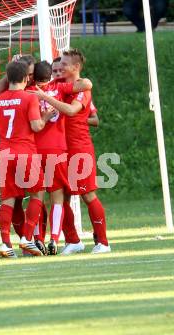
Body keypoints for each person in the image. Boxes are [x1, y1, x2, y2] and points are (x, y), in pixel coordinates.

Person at [29, 49, 110, 254]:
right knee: (61, 198)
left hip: (78, 147)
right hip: (60, 148)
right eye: (56, 67)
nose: (59, 70)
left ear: (75, 67)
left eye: (63, 65)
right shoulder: (57, 87)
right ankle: (73, 240)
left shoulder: (80, 89)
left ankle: (103, 242)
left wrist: (46, 98)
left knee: (87, 194)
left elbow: (74, 110)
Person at [0, 61, 52, 258]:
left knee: (8, 200)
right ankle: (27, 238)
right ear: (27, 78)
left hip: (6, 155)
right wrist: (45, 117)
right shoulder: (28, 98)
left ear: (8, 78)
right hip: (26, 153)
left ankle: (5, 244)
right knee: (38, 193)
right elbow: (36, 126)